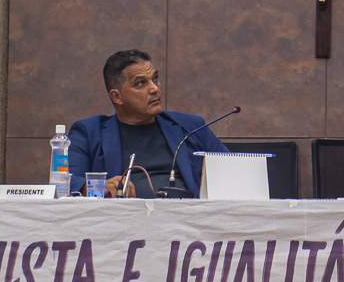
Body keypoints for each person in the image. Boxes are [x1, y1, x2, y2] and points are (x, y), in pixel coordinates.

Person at [68, 49, 228, 197]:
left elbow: (234, 169)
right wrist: (99, 186)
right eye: (141, 83)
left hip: (188, 219)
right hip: (123, 221)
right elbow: (67, 182)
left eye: (155, 79)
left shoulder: (192, 126)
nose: (154, 89)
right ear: (117, 97)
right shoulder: (88, 132)